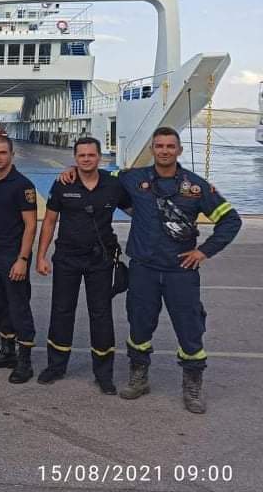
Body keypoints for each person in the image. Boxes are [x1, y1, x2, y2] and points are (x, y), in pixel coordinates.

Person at [60, 126, 241, 412]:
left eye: (170, 146)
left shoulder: (196, 187)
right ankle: (139, 375)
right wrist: (74, 168)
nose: (165, 151)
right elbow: (99, 175)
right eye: (160, 146)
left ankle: (192, 386)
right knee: (139, 324)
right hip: (143, 268)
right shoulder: (134, 179)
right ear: (153, 149)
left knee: (189, 328)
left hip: (180, 270)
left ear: (179, 150)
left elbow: (231, 220)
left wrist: (203, 251)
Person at [36, 137, 131, 395]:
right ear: (75, 158)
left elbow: (136, 210)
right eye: (81, 155)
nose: (86, 159)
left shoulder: (113, 186)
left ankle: (104, 374)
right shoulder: (63, 183)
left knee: (100, 315)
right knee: (61, 311)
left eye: (91, 155)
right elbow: (50, 221)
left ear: (100, 157)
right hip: (67, 257)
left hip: (100, 260)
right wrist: (41, 256)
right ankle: (56, 367)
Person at [0, 135, 38, 384]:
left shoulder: (22, 185)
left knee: (19, 308)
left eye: (2, 153)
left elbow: (31, 225)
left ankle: (25, 362)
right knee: (0, 306)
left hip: (13, 256)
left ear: (12, 155)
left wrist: (23, 259)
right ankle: (7, 352)